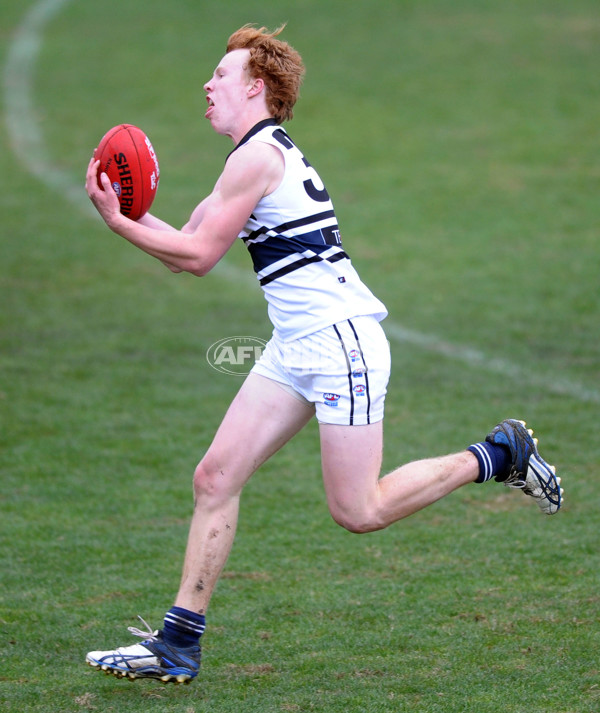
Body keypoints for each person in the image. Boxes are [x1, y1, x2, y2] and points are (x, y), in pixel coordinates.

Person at [84, 24, 563, 685]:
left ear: (254, 87)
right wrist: (125, 215)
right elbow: (188, 238)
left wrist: (117, 224)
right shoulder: (252, 157)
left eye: (220, 76)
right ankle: (178, 642)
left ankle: (498, 453)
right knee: (214, 477)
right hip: (296, 344)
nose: (207, 84)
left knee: (357, 510)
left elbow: (195, 259)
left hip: (340, 345)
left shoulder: (255, 159)